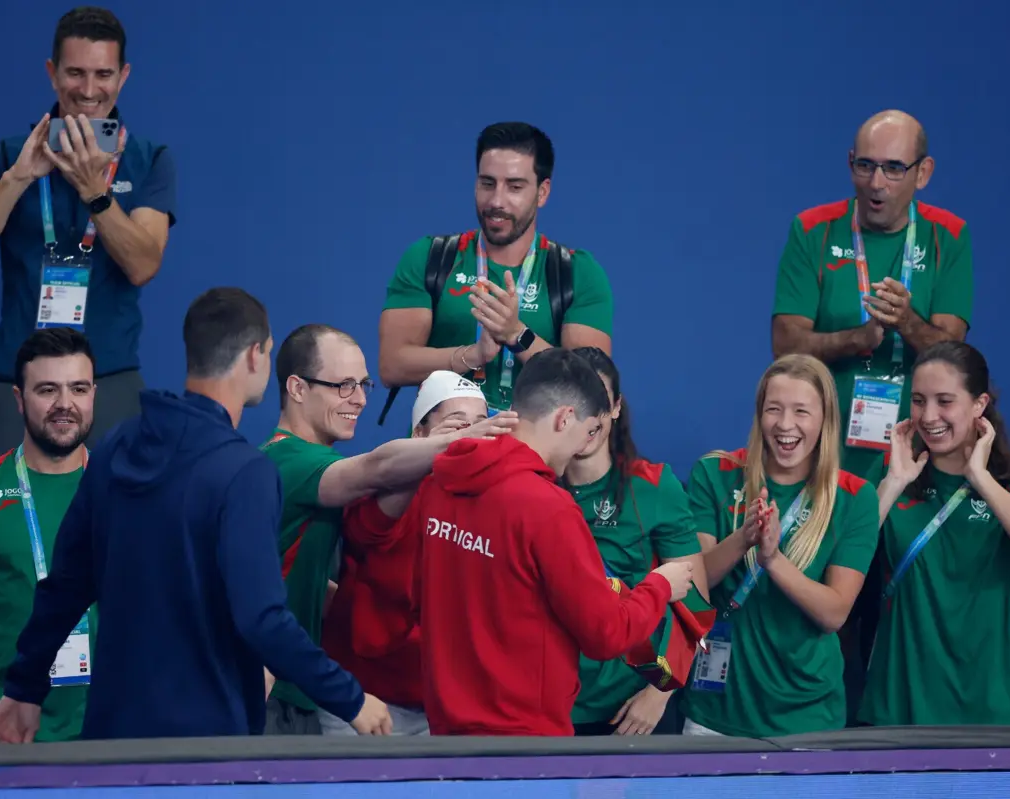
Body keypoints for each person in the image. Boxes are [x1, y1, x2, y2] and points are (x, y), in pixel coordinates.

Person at [0, 288, 390, 743]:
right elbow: (262, 618)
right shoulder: (245, 473)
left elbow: (66, 585)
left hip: (112, 735)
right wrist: (351, 699)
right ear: (255, 356)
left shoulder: (118, 448)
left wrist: (24, 689)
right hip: (206, 745)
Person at [404, 348, 694, 735]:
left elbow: (420, 594)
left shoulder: (439, 483)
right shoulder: (549, 507)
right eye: (586, 431)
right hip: (525, 742)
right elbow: (607, 635)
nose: (581, 447)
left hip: (446, 728)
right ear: (564, 419)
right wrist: (660, 585)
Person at [259, 326, 516, 735]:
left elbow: (292, 579)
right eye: (343, 385)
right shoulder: (290, 461)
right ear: (297, 388)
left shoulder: (304, 466)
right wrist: (467, 439)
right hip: (276, 693)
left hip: (303, 688)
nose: (359, 398)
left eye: (363, 384)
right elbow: (375, 470)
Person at [0, 7, 177, 466]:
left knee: (117, 530)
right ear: (51, 73)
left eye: (103, 74)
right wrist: (18, 179)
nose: (87, 90)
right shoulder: (9, 155)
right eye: (75, 72)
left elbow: (143, 264)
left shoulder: (148, 159)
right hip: (15, 380)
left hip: (108, 379)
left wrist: (95, 193)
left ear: (123, 76)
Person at [858, 341, 1010, 726]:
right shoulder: (892, 474)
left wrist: (981, 479)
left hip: (984, 706)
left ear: (978, 405)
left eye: (944, 401)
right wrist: (894, 482)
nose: (928, 415)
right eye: (919, 401)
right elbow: (845, 558)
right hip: (896, 704)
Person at [677, 355, 879, 737]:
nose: (785, 425)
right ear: (759, 414)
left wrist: (772, 559)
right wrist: (743, 539)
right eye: (774, 409)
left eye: (802, 411)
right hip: (715, 713)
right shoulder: (715, 473)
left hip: (808, 718)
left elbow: (834, 612)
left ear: (825, 419)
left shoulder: (855, 497)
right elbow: (695, 581)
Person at [770, 110, 972, 480]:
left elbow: (954, 359)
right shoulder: (813, 229)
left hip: (917, 447)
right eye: (865, 166)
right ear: (850, 164)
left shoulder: (949, 235)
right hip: (824, 448)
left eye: (894, 168)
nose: (876, 183)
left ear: (922, 173)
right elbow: (785, 344)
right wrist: (857, 339)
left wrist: (907, 323)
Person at [377, 121, 613, 418]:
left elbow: (590, 385)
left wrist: (517, 335)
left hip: (533, 456)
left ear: (542, 192)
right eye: (487, 184)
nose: (496, 201)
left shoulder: (578, 272)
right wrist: (472, 356)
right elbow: (392, 364)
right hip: (443, 454)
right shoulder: (429, 257)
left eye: (514, 187)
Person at [324, 370, 493, 737]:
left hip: (445, 708)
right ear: (419, 434)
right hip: (363, 702)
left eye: (482, 426)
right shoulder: (387, 496)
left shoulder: (496, 506)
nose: (472, 437)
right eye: (457, 426)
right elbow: (367, 528)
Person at [561, 348, 706, 736]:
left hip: (630, 711)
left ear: (616, 408)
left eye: (598, 403)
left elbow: (695, 603)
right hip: (548, 705)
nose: (586, 418)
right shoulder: (530, 485)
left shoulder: (655, 486)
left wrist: (658, 694)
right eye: (574, 403)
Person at [0, 329, 97, 742]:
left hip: (101, 734)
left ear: (94, 393)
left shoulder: (128, 493)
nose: (65, 404)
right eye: (47, 389)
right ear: (19, 399)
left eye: (78, 388)